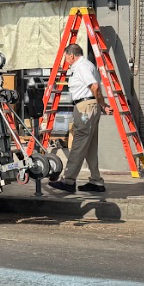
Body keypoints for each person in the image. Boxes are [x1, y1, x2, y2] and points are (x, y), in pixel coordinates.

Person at [49, 44, 108, 194]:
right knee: (90, 146)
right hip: (89, 106)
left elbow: (94, 86)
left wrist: (103, 104)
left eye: (66, 57)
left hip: (85, 107)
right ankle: (96, 181)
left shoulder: (81, 66)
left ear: (71, 55)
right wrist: (101, 105)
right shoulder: (87, 65)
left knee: (78, 143)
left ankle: (68, 181)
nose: (66, 60)